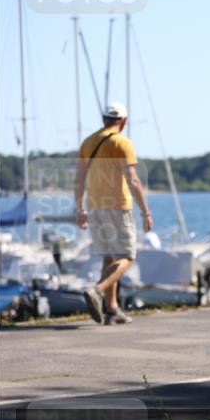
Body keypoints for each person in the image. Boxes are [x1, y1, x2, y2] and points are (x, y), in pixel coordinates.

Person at [74, 102, 153, 325]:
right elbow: (133, 179)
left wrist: (80, 209)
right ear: (124, 121)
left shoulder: (88, 142)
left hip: (95, 207)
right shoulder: (122, 142)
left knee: (109, 256)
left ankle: (112, 310)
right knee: (127, 257)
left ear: (103, 119)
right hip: (118, 206)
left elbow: (79, 179)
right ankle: (97, 290)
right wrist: (146, 211)